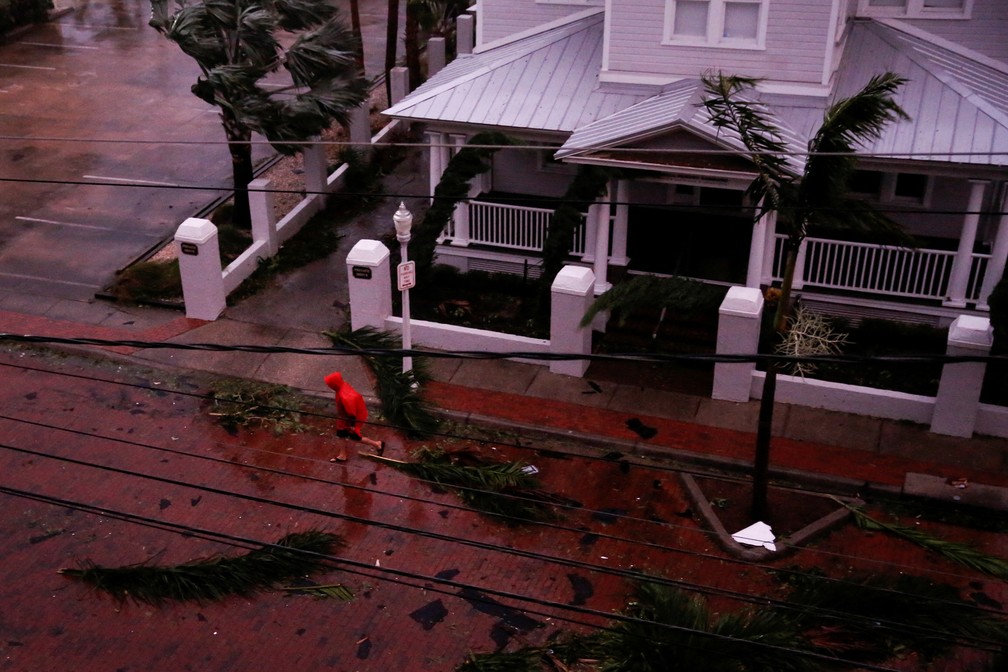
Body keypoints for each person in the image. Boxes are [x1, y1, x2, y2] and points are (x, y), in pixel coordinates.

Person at [324, 372, 385, 461]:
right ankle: (342, 454)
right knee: (341, 435)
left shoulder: (344, 395)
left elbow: (351, 412)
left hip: (347, 421)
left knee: (356, 437)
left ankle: (377, 444)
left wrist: (352, 425)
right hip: (344, 419)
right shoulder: (342, 387)